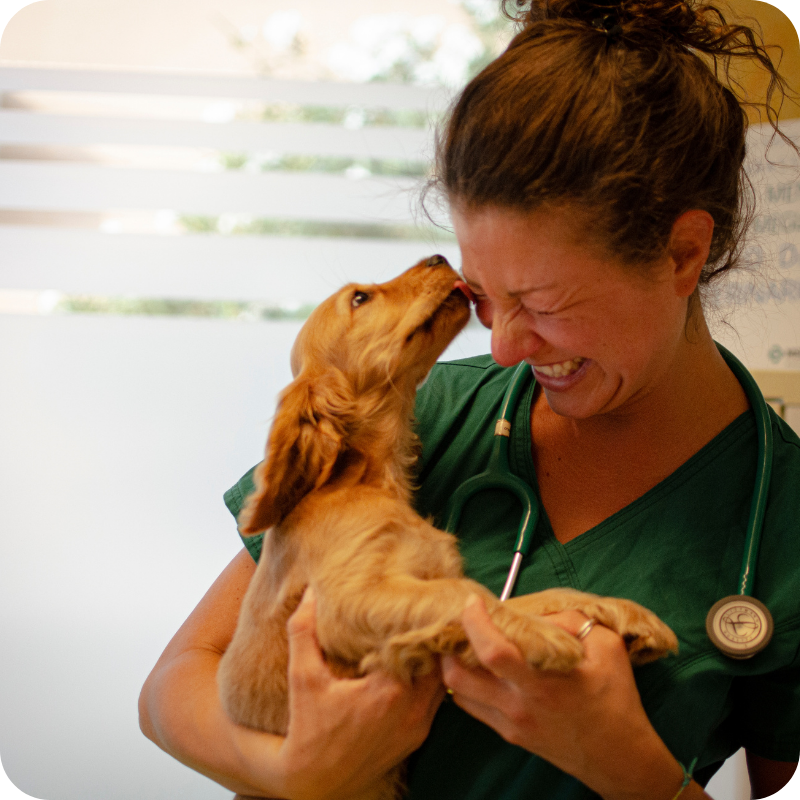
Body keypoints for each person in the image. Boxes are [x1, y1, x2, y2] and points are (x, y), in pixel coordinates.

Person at [139, 1, 800, 797]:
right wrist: (293, 771)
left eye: (545, 304)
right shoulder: (425, 413)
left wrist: (629, 766)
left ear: (683, 253)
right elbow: (176, 681)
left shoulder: (787, 520)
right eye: (482, 295)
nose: (504, 348)